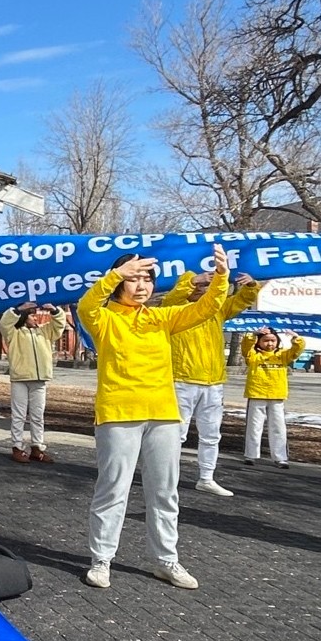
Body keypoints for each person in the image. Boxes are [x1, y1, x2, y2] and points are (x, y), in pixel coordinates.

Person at [77, 245, 228, 591]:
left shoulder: (162, 317)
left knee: (164, 492)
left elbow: (206, 309)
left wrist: (221, 278)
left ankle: (166, 560)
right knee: (113, 490)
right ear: (119, 284)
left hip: (163, 414)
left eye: (147, 279)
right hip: (119, 414)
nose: (142, 285)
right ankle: (101, 561)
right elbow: (86, 305)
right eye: (134, 279)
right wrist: (117, 273)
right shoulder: (105, 319)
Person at [161, 269, 263, 497]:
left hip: (213, 382)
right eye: (199, 287)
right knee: (176, 434)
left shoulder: (216, 310)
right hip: (182, 380)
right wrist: (193, 280)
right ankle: (166, 479)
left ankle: (206, 478)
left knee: (211, 434)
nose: (203, 291)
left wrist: (250, 286)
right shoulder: (175, 309)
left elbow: (242, 301)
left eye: (206, 288)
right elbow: (172, 297)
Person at [0, 301, 67, 463]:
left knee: (37, 415)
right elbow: (4, 323)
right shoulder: (13, 333)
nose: (35, 318)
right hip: (20, 379)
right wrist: (19, 309)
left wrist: (55, 310)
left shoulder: (44, 331)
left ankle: (37, 448)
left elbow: (59, 325)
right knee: (19, 415)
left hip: (40, 379)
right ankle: (17, 447)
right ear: (23, 317)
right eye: (31, 315)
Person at [241, 328, 305, 469]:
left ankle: (281, 457)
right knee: (254, 427)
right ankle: (250, 455)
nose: (269, 344)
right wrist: (254, 335)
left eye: (272, 340)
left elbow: (297, 350)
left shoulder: (283, 355)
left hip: (277, 395)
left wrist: (296, 338)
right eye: (265, 340)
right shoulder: (253, 355)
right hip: (256, 394)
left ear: (277, 341)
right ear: (259, 342)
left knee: (278, 427)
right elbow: (246, 345)